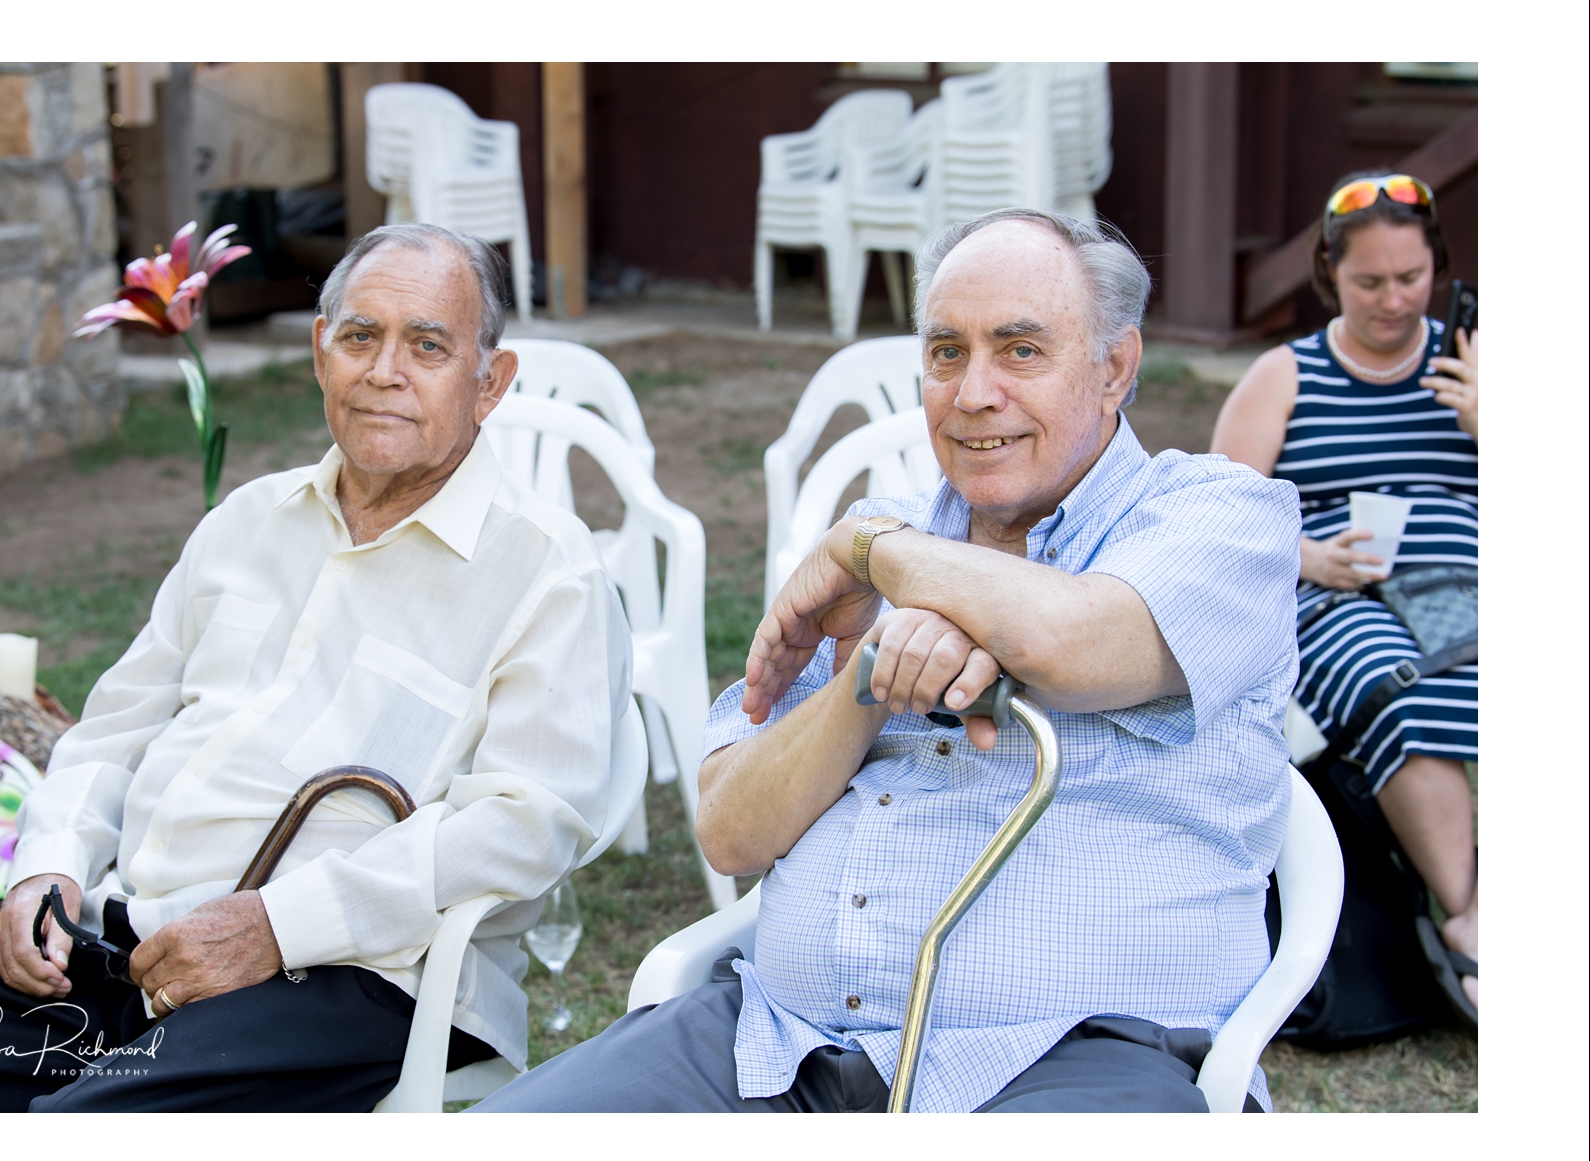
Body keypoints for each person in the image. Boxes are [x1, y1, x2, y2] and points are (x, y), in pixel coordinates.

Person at [475, 209, 1303, 1113]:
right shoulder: (895, 544)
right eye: (947, 352)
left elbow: (1065, 640)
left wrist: (873, 552)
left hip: (1075, 1057)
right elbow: (728, 829)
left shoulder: (1223, 518)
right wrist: (870, 671)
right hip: (778, 1044)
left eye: (1020, 350)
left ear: (1116, 367)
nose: (973, 391)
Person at [0, 224, 632, 1111]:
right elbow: (113, 727)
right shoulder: (246, 523)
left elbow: (526, 825)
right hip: (115, 946)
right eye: (360, 336)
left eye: (428, 344)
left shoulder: (546, 571)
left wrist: (278, 928)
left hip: (345, 974)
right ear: (321, 353)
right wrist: (49, 864)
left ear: (491, 383)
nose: (384, 370)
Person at [1210, 172, 1478, 1020]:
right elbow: (1216, 523)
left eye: (1411, 277)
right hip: (1336, 594)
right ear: (1331, 273)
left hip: (1470, 584)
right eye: (1370, 282)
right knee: (1396, 682)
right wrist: (1306, 557)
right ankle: (1469, 919)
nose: (1394, 300)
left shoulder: (1477, 357)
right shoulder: (1284, 374)